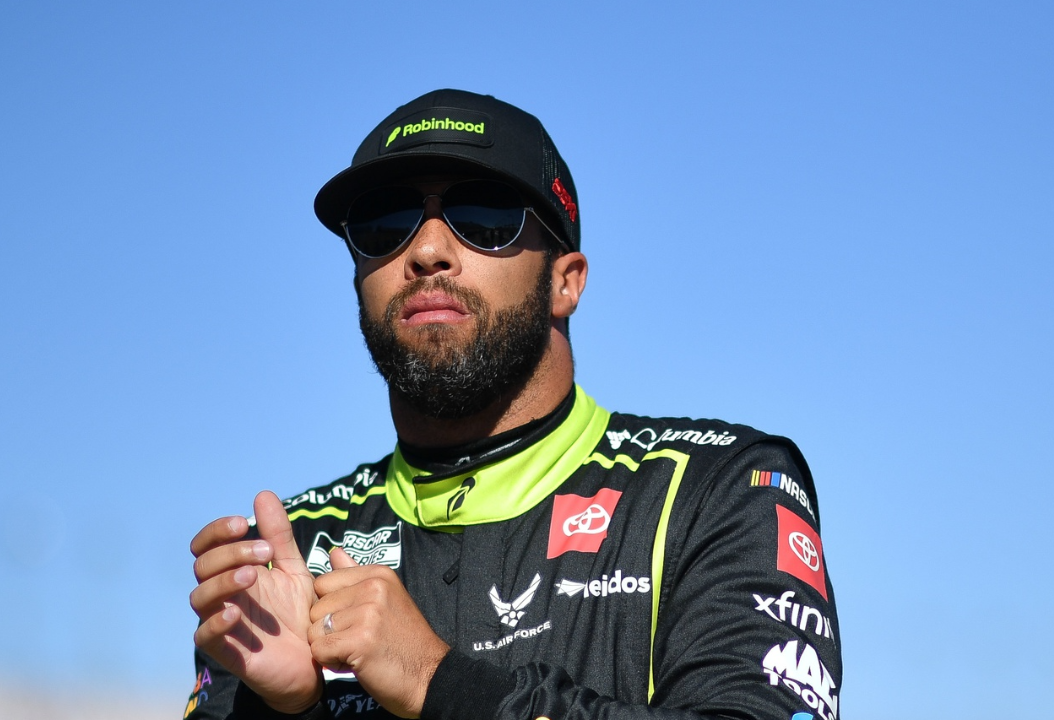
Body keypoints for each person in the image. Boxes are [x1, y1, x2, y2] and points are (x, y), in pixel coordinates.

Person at [185, 89, 841, 720]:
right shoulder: (291, 551)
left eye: (485, 219)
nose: (427, 252)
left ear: (566, 281)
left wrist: (440, 684)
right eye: (384, 222)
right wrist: (285, 710)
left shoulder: (716, 488)